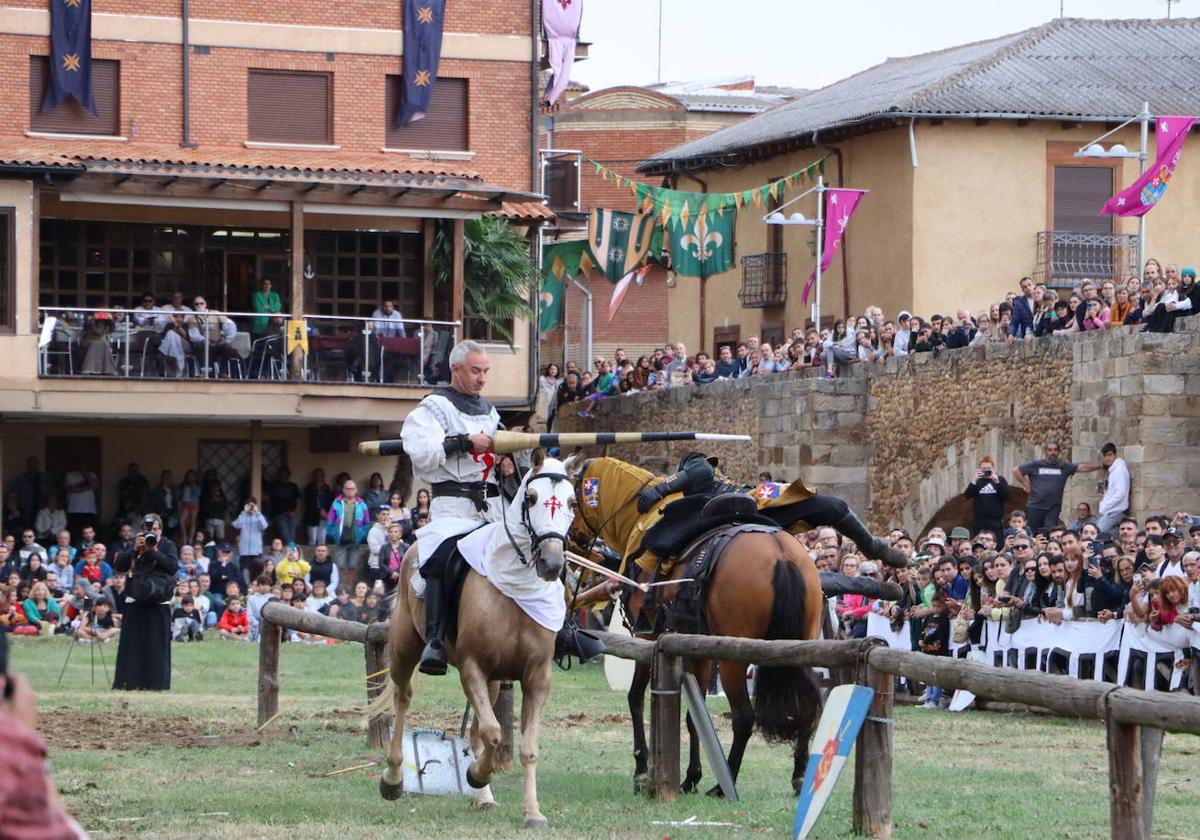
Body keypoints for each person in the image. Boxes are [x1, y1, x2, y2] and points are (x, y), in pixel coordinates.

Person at [401, 339, 504, 675]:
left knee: (533, 545)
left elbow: (498, 447)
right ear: (456, 368)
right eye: (476, 370)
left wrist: (506, 459)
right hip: (452, 507)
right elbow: (423, 452)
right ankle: (434, 640)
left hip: (492, 505)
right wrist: (463, 442)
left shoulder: (490, 411)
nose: (482, 378)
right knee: (441, 556)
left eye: (486, 371)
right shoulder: (433, 407)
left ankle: (558, 631)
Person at [112, 514, 179, 691]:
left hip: (159, 598)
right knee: (133, 643)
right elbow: (120, 566)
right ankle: (130, 681)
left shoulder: (167, 545)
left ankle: (156, 683)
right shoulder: (137, 542)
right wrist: (134, 549)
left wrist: (155, 549)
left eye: (156, 529)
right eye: (149, 529)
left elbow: (172, 568)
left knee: (157, 644)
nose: (152, 533)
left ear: (161, 530)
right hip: (137, 596)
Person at [1012, 440, 1103, 534]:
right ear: (1045, 451)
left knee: (1050, 532)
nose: (1052, 453)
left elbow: (1082, 467)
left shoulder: (1063, 466)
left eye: (1055, 450)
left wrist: (1101, 465)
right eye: (1050, 450)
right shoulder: (1036, 465)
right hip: (1035, 506)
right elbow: (1016, 470)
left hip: (1053, 507)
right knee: (1034, 533)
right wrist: (1026, 484)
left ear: (1059, 452)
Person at [326, 479, 369, 579]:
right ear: (343, 490)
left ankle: (349, 590)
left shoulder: (362, 505)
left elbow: (366, 523)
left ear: (356, 490)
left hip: (355, 540)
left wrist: (363, 534)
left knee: (352, 566)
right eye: (347, 489)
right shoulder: (336, 503)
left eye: (352, 489)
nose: (350, 491)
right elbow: (330, 522)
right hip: (340, 540)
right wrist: (333, 534)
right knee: (340, 566)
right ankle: (341, 590)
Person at [963, 456, 1008, 537]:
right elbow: (967, 495)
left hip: (995, 520)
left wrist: (997, 482)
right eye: (984, 468)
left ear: (993, 468)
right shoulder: (977, 481)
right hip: (979, 520)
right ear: (979, 469)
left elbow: (1006, 496)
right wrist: (974, 481)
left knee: (997, 543)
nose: (986, 470)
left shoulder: (1000, 479)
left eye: (988, 468)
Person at [231, 497, 268, 583]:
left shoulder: (259, 516)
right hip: (244, 551)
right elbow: (235, 525)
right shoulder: (242, 516)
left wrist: (257, 512)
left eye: (253, 505)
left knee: (256, 572)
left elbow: (264, 526)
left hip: (256, 550)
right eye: (249, 505)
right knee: (243, 571)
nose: (251, 507)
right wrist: (244, 513)